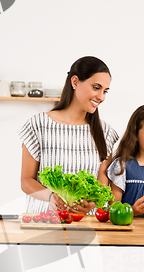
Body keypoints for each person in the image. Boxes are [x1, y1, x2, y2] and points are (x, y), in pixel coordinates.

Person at [19, 56, 119, 215]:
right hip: (44, 222)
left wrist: (91, 205)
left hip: (87, 225)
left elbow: (102, 182)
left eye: (105, 91)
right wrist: (50, 196)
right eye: (96, 87)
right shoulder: (38, 125)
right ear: (75, 82)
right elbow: (26, 181)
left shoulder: (105, 132)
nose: (101, 97)